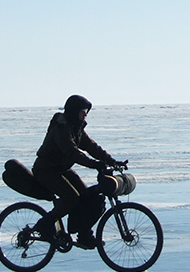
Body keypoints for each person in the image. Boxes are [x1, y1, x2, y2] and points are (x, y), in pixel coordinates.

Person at [32, 95, 125, 249]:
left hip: (61, 169)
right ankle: (44, 225)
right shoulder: (61, 128)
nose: (85, 116)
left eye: (86, 113)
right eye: (83, 112)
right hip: (46, 170)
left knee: (87, 196)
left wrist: (111, 161)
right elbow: (72, 152)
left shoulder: (76, 127)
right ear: (74, 111)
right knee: (72, 198)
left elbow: (91, 147)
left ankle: (84, 234)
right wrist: (95, 164)